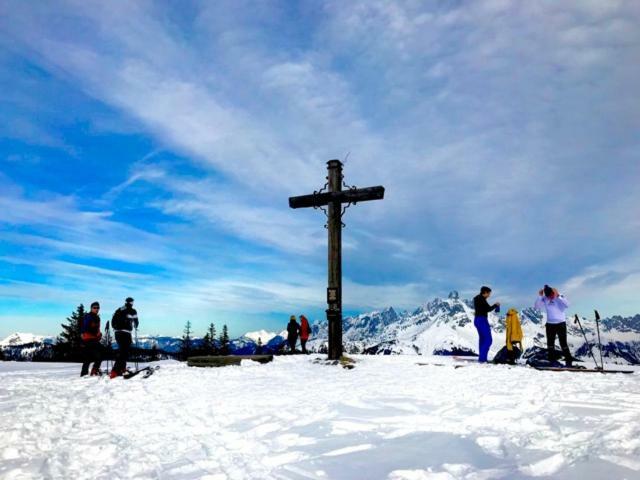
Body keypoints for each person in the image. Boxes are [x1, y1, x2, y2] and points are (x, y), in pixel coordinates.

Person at [534, 285, 573, 366]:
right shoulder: (545, 298)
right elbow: (537, 307)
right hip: (550, 324)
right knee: (550, 344)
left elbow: (568, 305)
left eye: (551, 295)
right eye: (549, 296)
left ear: (554, 292)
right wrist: (540, 296)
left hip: (561, 323)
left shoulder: (559, 296)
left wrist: (558, 296)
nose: (550, 297)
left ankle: (569, 360)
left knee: (563, 343)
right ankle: (551, 361)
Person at [110, 297, 139, 378]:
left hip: (118, 332)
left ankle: (121, 368)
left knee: (123, 351)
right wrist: (136, 325)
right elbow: (136, 322)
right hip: (126, 333)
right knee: (124, 351)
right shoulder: (133, 311)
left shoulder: (119, 309)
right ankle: (115, 371)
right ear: (132, 303)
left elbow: (113, 320)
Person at [473, 286, 500, 363]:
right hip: (482, 320)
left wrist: (494, 306)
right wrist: (496, 305)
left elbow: (485, 308)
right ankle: (482, 359)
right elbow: (488, 309)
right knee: (488, 340)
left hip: (477, 320)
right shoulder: (481, 299)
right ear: (485, 292)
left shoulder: (478, 298)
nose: (489, 295)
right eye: (489, 293)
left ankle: (482, 359)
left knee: (482, 339)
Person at [80, 302, 104, 377]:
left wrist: (99, 334)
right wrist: (95, 333)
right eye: (95, 308)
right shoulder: (88, 316)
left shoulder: (97, 317)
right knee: (101, 353)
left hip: (92, 339)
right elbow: (85, 328)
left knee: (88, 357)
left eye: (98, 308)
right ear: (91, 308)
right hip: (88, 338)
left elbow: (97, 329)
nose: (96, 309)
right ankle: (94, 370)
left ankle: (84, 374)